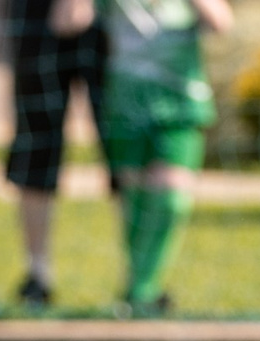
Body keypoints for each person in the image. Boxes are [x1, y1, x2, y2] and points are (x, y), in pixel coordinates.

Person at [53, 0, 233, 314]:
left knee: (172, 198)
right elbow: (66, 22)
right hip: (126, 104)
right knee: (134, 200)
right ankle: (139, 290)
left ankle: (143, 288)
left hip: (179, 102)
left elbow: (221, 22)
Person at [6, 0, 112, 308]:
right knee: (36, 146)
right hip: (39, 15)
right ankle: (37, 276)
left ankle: (142, 280)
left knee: (124, 145)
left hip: (113, 14)